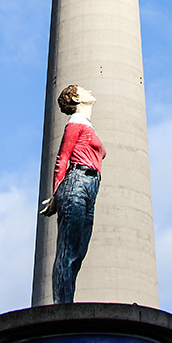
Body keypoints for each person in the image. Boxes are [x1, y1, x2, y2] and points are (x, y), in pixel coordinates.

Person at [40, 84, 106, 304]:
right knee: (68, 251)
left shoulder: (86, 125)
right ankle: (62, 308)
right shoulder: (75, 124)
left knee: (78, 252)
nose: (90, 91)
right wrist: (57, 195)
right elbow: (62, 158)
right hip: (76, 184)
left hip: (90, 187)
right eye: (84, 90)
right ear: (77, 98)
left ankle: (68, 302)